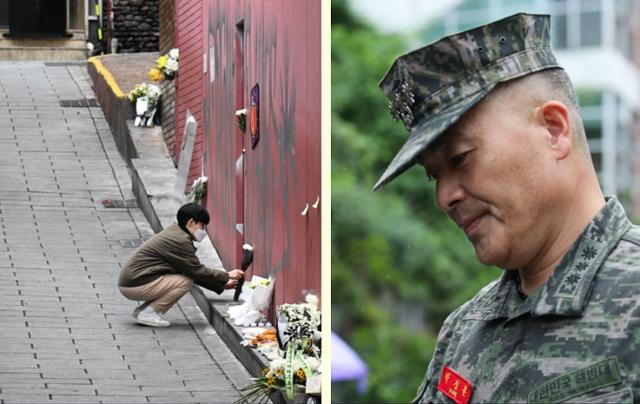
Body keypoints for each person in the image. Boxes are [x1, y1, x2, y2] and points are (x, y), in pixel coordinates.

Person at [375, 13, 640, 403]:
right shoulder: (465, 330)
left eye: (461, 159)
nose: (444, 197)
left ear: (554, 130)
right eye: (434, 176)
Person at [118, 203, 243, 327]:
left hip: (133, 282)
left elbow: (189, 270)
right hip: (134, 284)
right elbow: (195, 271)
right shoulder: (180, 240)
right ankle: (149, 313)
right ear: (191, 222)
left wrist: (221, 285)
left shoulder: (176, 233)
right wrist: (226, 275)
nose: (204, 231)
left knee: (184, 277)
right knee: (185, 281)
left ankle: (143, 311)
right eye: (202, 226)